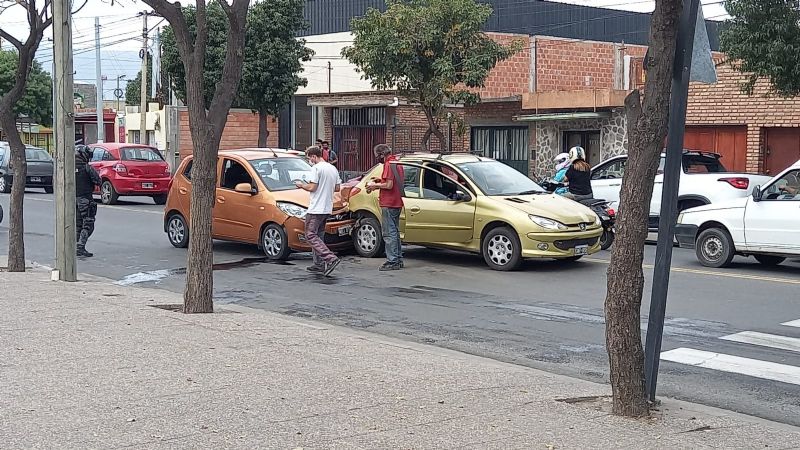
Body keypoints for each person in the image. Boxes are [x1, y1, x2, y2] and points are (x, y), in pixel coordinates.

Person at [295, 145, 342, 276]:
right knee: (319, 235)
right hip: (327, 207)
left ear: (314, 157)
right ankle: (318, 264)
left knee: (310, 234)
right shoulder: (332, 168)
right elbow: (337, 188)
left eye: (309, 158)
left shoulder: (316, 168)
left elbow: (312, 187)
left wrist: (301, 185)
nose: (309, 160)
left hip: (316, 207)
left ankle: (330, 258)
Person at [366, 144, 404, 271]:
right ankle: (398, 259)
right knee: (395, 232)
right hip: (397, 201)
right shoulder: (396, 162)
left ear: (382, 154)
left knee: (389, 233)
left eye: (378, 156)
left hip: (389, 202)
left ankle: (392, 261)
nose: (378, 158)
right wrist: (379, 180)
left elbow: (389, 185)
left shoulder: (388, 164)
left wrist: (374, 186)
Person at [75, 145, 101, 257]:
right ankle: (80, 247)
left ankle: (75, 246)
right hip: (85, 199)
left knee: (77, 224)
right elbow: (98, 180)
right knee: (88, 224)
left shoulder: (67, 167)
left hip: (72, 200)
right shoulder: (86, 168)